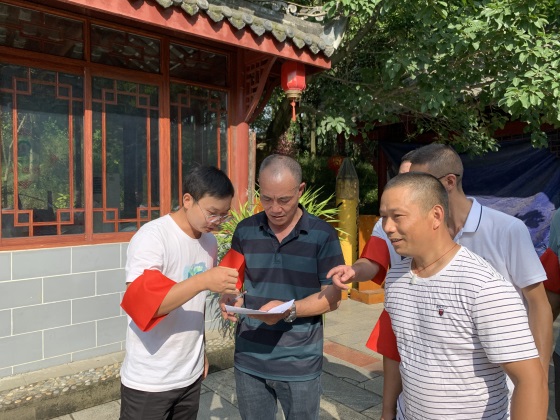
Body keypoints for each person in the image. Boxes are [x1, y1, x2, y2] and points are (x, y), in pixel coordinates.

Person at [369, 144, 552, 418]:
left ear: (436, 214)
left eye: (397, 217)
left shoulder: (485, 286)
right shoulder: (397, 277)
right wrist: (389, 411)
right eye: (384, 217)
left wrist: (536, 377)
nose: (387, 228)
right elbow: (400, 351)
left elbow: (531, 379)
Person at [219, 154, 344, 420]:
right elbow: (232, 279)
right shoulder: (245, 230)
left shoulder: (322, 235)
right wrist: (229, 297)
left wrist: (289, 309)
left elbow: (333, 297)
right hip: (249, 357)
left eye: (284, 200)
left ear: (300, 190)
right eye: (266, 199)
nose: (275, 208)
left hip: (299, 362)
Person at [119, 166, 239, 420]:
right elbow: (143, 305)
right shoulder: (153, 237)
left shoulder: (209, 242)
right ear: (187, 200)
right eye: (212, 213)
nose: (217, 221)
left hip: (190, 374)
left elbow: (196, 306)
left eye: (224, 215)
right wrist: (203, 280)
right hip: (150, 379)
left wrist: (201, 351)